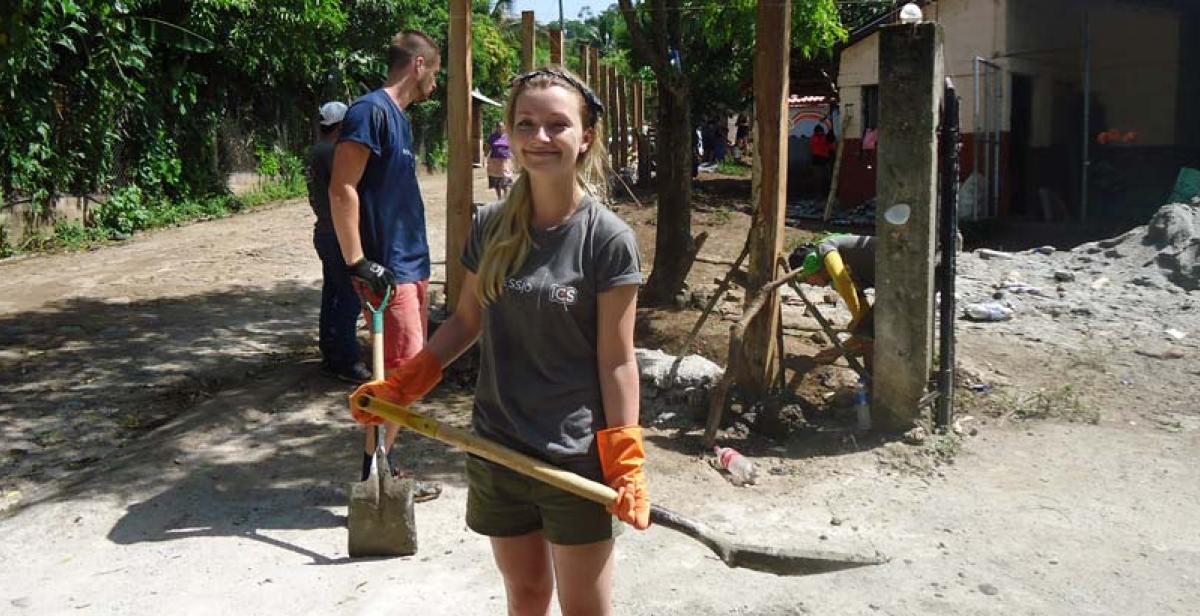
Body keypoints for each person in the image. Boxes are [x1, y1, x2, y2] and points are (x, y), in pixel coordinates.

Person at [349, 66, 648, 615]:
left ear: (585, 137)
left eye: (558, 125)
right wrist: (405, 385)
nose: (540, 138)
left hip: (574, 460)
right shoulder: (490, 225)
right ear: (510, 131)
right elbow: (466, 322)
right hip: (497, 449)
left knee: (587, 609)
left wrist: (623, 456)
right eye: (526, 124)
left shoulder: (608, 240)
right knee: (526, 596)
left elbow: (617, 361)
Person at [329, 30, 443, 489]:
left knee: (411, 372)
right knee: (403, 370)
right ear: (418, 65)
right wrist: (358, 261)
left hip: (411, 263)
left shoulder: (400, 118)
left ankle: (381, 463)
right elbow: (342, 187)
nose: (436, 81)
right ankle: (373, 474)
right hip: (385, 267)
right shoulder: (370, 112)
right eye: (435, 70)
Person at [308, 101, 371, 383]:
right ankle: (346, 360)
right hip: (336, 233)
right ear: (342, 125)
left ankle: (331, 353)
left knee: (332, 293)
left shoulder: (317, 150)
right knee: (348, 295)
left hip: (324, 230)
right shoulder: (331, 152)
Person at [788, 233, 876, 370]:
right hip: (894, 283)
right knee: (868, 330)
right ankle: (872, 384)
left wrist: (858, 321)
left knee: (867, 330)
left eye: (806, 279)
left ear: (811, 266)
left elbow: (842, 279)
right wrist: (837, 351)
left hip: (904, 269)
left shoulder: (826, 247)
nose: (810, 284)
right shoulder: (841, 279)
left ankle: (873, 386)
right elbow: (864, 319)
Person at [484, 121, 514, 200]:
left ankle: (505, 198)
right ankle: (499, 198)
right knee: (496, 180)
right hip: (495, 161)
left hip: (506, 162)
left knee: (506, 180)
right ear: (496, 128)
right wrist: (485, 157)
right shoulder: (492, 137)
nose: (500, 128)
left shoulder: (508, 137)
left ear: (504, 127)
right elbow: (487, 147)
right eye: (498, 127)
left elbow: (513, 147)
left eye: (502, 127)